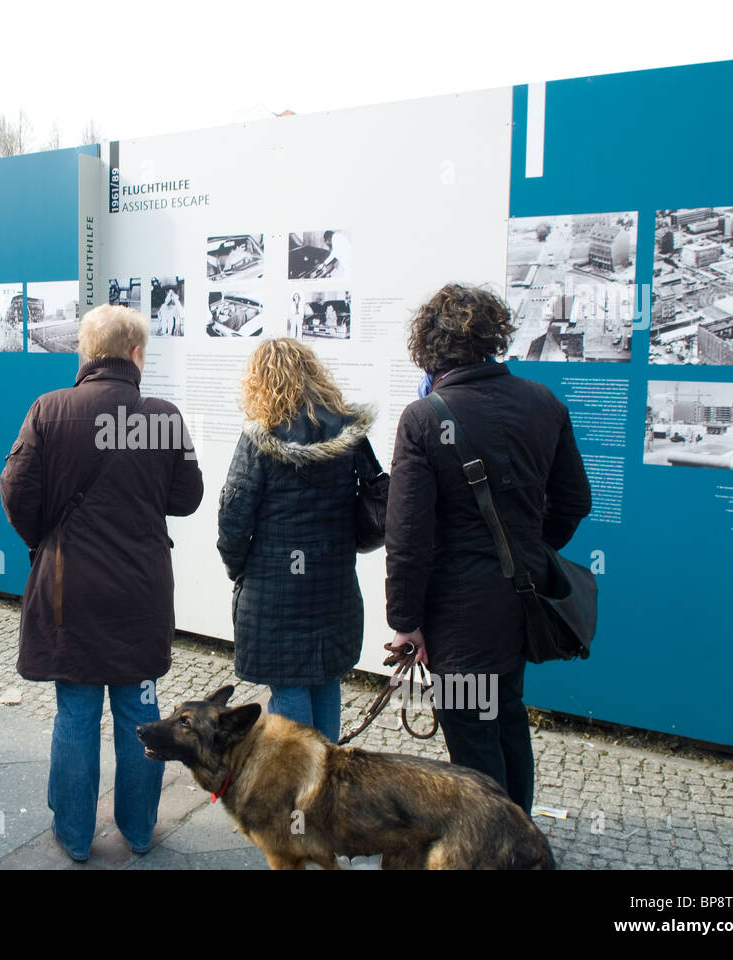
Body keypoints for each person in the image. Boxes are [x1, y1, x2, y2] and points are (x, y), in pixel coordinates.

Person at [0, 304, 203, 861]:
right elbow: (187, 498)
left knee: (77, 712)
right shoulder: (161, 415)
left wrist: (45, 540)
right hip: (139, 592)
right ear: (137, 354)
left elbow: (16, 493)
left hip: (70, 591)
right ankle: (138, 832)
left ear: (85, 354)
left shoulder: (49, 409)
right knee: (141, 712)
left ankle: (73, 835)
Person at [385, 283, 591, 815]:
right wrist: (527, 548)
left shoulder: (424, 417)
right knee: (506, 718)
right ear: (492, 337)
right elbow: (574, 502)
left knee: (473, 739)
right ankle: (518, 835)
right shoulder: (543, 401)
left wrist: (405, 622)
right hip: (520, 602)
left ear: (430, 346)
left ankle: (493, 848)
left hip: (458, 614)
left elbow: (407, 537)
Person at [217, 338, 376, 742]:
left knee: (288, 685)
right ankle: (325, 790)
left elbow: (234, 517)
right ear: (313, 374)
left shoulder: (258, 438)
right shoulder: (348, 432)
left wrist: (239, 568)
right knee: (324, 679)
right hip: (334, 583)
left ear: (261, 381)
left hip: (274, 591)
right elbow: (378, 495)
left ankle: (295, 793)